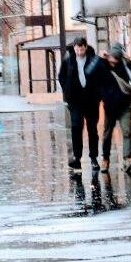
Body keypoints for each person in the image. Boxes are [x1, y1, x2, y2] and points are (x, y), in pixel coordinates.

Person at [56, 37, 104, 172]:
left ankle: (93, 157)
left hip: (91, 100)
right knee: (76, 127)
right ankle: (77, 158)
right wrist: (67, 90)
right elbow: (61, 76)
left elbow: (102, 76)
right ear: (74, 48)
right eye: (77, 49)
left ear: (86, 47)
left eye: (82, 49)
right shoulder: (69, 60)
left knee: (92, 129)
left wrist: (99, 94)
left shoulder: (94, 60)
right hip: (75, 100)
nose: (79, 51)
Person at [100, 43, 131, 173]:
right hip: (110, 107)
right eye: (111, 59)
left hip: (125, 105)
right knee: (107, 134)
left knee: (126, 132)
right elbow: (91, 70)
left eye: (115, 59)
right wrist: (100, 58)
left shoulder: (124, 65)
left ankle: (127, 160)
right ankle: (105, 160)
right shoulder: (103, 65)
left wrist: (128, 60)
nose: (113, 62)